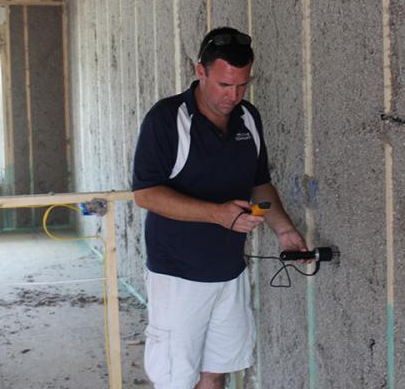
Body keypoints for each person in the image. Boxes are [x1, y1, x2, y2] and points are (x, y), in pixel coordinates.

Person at [132, 27, 308, 389]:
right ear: (201, 71)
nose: (234, 95)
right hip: (178, 278)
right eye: (224, 85)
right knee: (174, 379)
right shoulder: (167, 119)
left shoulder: (248, 118)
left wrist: (284, 230)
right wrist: (216, 214)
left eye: (242, 85)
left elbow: (259, 186)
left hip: (230, 272)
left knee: (218, 371)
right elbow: (146, 194)